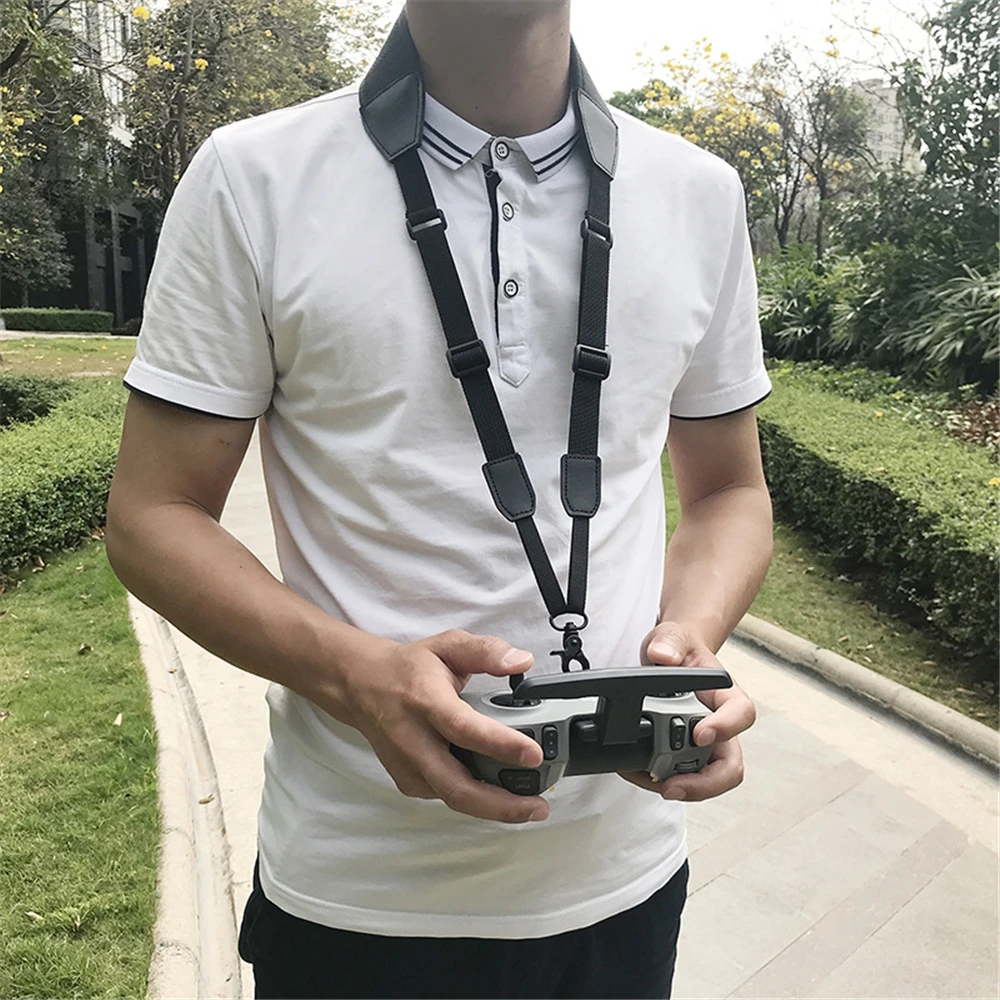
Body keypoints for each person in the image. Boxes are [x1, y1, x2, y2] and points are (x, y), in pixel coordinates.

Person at [106, 1, 773, 997]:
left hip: (624, 886)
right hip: (357, 898)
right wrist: (358, 675)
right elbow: (152, 515)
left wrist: (689, 645)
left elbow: (729, 491)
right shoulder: (254, 178)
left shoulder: (698, 192)